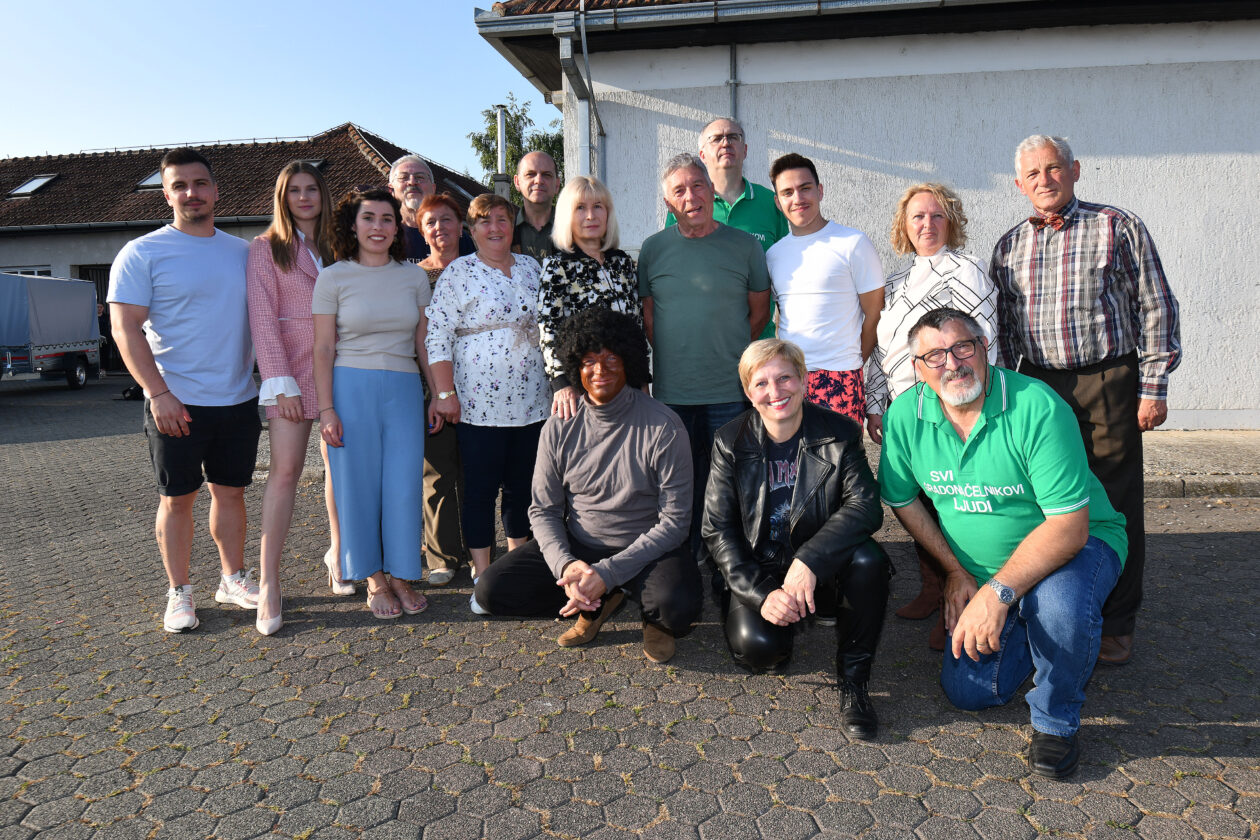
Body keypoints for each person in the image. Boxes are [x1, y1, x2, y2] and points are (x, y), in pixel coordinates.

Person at [879, 307, 1128, 778]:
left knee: (1059, 606)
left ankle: (1056, 721)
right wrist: (955, 571)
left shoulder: (1037, 406)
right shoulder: (904, 416)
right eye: (934, 355)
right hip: (985, 570)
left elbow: (1069, 527)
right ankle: (1035, 630)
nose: (951, 363)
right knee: (969, 692)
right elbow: (902, 499)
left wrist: (997, 592)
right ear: (917, 369)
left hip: (1078, 545)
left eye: (962, 347)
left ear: (984, 348)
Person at [990, 134, 1181, 666]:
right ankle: (1048, 610)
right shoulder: (1008, 246)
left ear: (1075, 170)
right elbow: (1003, 332)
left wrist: (1152, 386)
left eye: (1053, 169)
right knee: (1047, 504)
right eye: (1032, 175)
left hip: (1106, 383)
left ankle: (1116, 621)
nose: (1044, 181)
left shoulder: (1117, 226)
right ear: (1018, 184)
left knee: (1114, 503)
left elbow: (1157, 307)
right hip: (1037, 386)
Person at [475, 308, 700, 662]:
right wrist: (567, 566)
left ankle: (650, 616)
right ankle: (595, 601)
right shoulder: (559, 426)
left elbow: (675, 522)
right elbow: (544, 509)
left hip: (646, 551)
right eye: (589, 360)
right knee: (491, 592)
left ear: (630, 363)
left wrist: (609, 572)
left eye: (612, 359)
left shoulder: (664, 426)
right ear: (575, 367)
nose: (600, 370)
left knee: (677, 607)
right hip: (581, 546)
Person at [703, 339, 888, 739]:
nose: (775, 392)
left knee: (870, 561)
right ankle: (784, 615)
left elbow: (867, 506)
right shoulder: (729, 441)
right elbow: (717, 530)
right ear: (748, 393)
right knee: (760, 652)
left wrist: (809, 561)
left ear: (803, 380)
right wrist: (761, 593)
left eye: (785, 377)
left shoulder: (839, 432)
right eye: (762, 383)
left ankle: (854, 681)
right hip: (761, 568)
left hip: (820, 570)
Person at [107, 148, 260, 633]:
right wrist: (158, 393)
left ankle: (232, 579)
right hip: (176, 402)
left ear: (216, 190)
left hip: (238, 399)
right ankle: (179, 593)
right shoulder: (142, 252)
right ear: (167, 193)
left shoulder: (243, 253)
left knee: (231, 493)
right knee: (178, 499)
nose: (191, 193)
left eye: (200, 183)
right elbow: (124, 328)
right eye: (179, 185)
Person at [866, 182, 1000, 650]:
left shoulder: (969, 271)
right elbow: (883, 352)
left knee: (954, 504)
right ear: (904, 225)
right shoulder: (898, 281)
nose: (926, 225)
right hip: (908, 414)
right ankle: (932, 586)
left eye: (936, 216)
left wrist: (977, 407)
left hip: (952, 408)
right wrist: (876, 402)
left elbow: (986, 345)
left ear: (952, 221)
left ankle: (962, 601)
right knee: (919, 504)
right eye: (917, 217)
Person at [638, 153, 771, 560]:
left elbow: (760, 310)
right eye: (679, 190)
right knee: (678, 481)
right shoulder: (653, 249)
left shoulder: (745, 245)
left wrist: (725, 350)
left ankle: (726, 558)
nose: (691, 195)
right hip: (672, 391)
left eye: (698, 185)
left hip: (729, 389)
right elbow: (648, 317)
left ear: (712, 190)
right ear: (667, 203)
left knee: (729, 478)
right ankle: (684, 555)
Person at [426, 193, 550, 611]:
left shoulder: (533, 268)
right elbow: (437, 336)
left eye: (503, 219)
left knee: (523, 490)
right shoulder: (459, 273)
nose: (495, 227)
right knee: (479, 491)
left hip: (534, 403)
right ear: (471, 230)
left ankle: (516, 566)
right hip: (478, 405)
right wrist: (445, 394)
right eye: (485, 221)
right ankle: (482, 572)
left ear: (512, 225)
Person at [313, 187, 432, 621]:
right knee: (356, 485)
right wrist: (327, 409)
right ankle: (373, 578)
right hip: (350, 387)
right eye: (369, 218)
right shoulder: (333, 276)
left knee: (403, 485)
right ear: (353, 225)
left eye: (387, 219)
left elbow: (424, 342)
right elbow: (323, 348)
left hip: (402, 388)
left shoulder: (414, 277)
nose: (378, 227)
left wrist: (439, 392)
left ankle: (402, 574)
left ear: (397, 226)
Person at [246, 161, 346, 636]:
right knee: (284, 473)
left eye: (312, 190)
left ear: (323, 196)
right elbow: (262, 319)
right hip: (291, 371)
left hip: (341, 370)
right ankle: (269, 581)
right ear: (282, 198)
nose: (304, 198)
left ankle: (339, 553)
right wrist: (279, 382)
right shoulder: (266, 249)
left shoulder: (339, 245)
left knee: (338, 468)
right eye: (295, 191)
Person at [766, 153, 884, 426]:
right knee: (791, 464)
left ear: (820, 190)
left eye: (805, 188)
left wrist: (852, 362)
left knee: (838, 465)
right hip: (789, 378)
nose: (798, 198)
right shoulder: (774, 255)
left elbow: (876, 314)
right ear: (778, 202)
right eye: (787, 192)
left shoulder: (853, 243)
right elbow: (781, 316)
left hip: (839, 377)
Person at [667, 117, 789, 338]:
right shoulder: (683, 208)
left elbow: (785, 275)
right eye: (716, 139)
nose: (725, 143)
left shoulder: (771, 203)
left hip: (759, 344)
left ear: (745, 149)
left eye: (733, 137)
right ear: (702, 155)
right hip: (703, 341)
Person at [537, 175, 640, 420]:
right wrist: (560, 382)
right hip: (583, 388)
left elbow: (636, 325)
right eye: (580, 208)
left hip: (626, 384)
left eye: (597, 207)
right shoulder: (557, 267)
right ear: (567, 216)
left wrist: (641, 379)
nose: (591, 216)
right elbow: (547, 328)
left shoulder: (622, 263)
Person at [414, 194, 472, 587]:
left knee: (474, 472)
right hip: (430, 389)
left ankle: (476, 548)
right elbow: (419, 338)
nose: (440, 228)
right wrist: (438, 391)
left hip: (480, 387)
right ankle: (441, 557)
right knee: (436, 474)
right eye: (431, 222)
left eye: (447, 220)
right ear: (421, 231)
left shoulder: (475, 269)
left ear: (461, 227)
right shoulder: (414, 276)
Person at [388, 154, 474, 262]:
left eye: (420, 177)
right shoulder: (384, 234)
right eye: (403, 178)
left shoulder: (456, 237)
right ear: (391, 190)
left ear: (433, 188)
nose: (412, 182)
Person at [511, 151, 560, 262]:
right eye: (530, 174)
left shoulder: (574, 229)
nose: (538, 180)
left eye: (546, 175)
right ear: (517, 182)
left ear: (557, 184)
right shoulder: (503, 231)